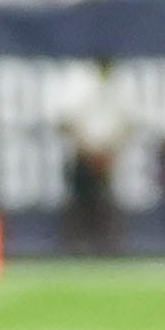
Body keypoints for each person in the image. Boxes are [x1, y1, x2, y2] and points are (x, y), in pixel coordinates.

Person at [57, 57, 130, 256]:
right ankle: (74, 248)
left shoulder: (118, 86)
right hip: (83, 155)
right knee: (79, 203)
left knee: (105, 203)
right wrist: (88, 150)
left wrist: (108, 151)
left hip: (106, 156)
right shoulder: (79, 82)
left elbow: (125, 123)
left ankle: (107, 248)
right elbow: (67, 121)